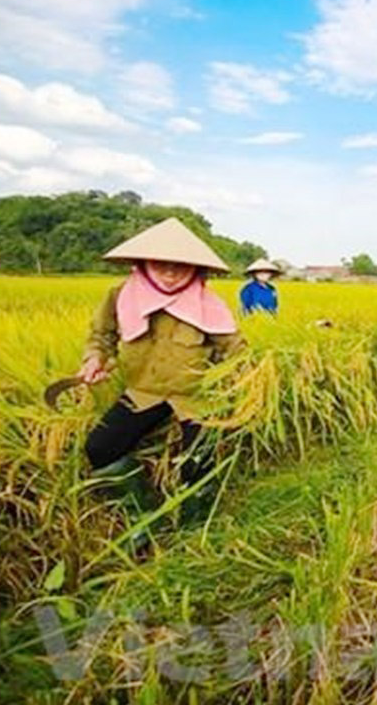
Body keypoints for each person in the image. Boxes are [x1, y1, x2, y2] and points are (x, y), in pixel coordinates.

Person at [76, 217, 244, 546]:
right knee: (100, 447)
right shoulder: (120, 297)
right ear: (143, 263)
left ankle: (195, 529)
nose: (170, 273)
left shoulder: (209, 305)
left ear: (196, 270)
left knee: (199, 460)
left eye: (180, 266)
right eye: (161, 264)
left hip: (195, 396)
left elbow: (235, 352)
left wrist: (242, 386)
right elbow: (102, 336)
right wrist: (94, 359)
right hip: (144, 392)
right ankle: (145, 517)